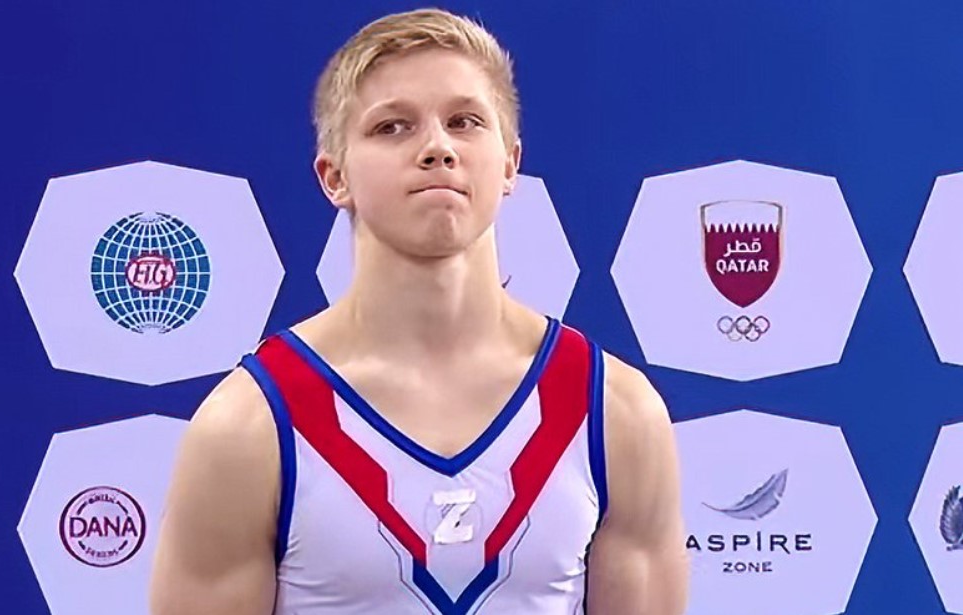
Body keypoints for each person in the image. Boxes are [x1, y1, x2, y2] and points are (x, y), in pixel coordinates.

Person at [150, 8, 688, 614]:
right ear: (334, 177)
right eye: (393, 127)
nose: (437, 147)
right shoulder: (248, 426)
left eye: (464, 122)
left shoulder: (615, 411)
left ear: (510, 162)